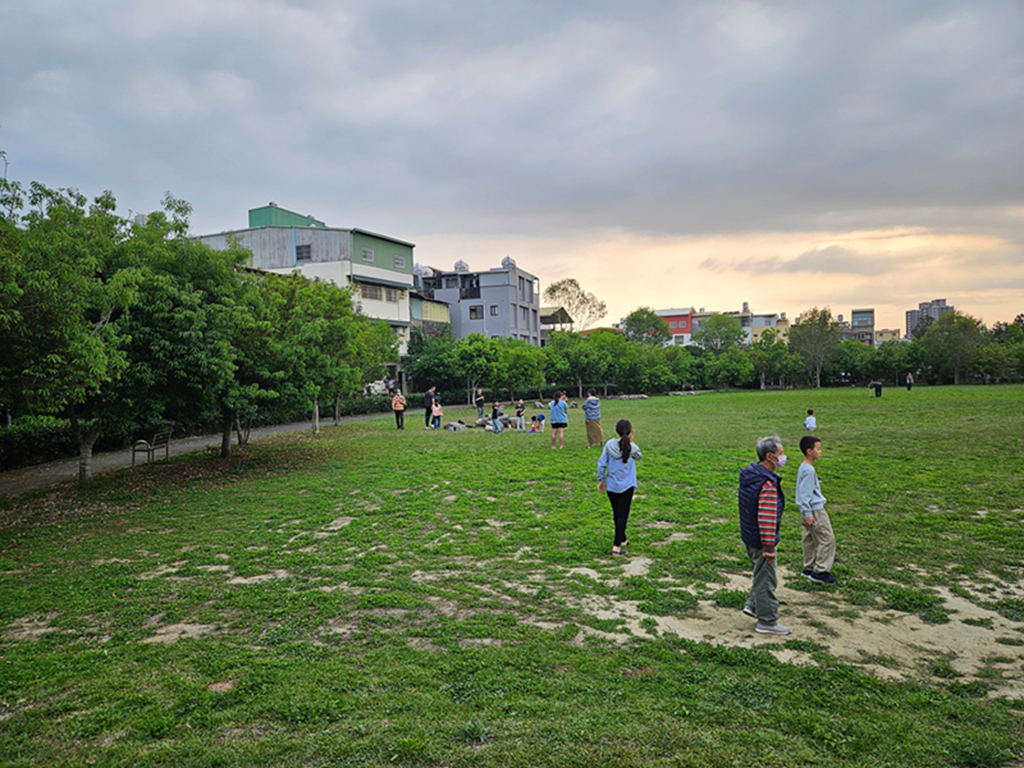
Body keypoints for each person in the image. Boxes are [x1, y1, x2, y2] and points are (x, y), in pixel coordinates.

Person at [738, 435, 792, 635]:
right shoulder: (766, 484)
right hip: (762, 541)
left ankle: (752, 604)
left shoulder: (751, 475)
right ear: (770, 456)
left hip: (750, 536)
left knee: (760, 575)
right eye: (781, 453)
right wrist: (769, 548)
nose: (784, 457)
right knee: (767, 579)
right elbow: (767, 517)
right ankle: (767, 621)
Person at [596, 419, 642, 557]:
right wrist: (631, 441)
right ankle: (616, 546)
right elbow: (638, 456)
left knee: (617, 513)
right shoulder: (631, 446)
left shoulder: (609, 445)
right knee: (623, 515)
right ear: (630, 431)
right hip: (627, 485)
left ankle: (622, 539)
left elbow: (601, 464)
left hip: (612, 485)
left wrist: (601, 480)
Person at [796, 435, 837, 585]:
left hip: (808, 510)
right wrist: (808, 513)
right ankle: (820, 572)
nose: (820, 452)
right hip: (815, 511)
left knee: (810, 539)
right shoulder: (809, 471)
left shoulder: (804, 467)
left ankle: (809, 567)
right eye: (818, 449)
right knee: (827, 539)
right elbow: (805, 493)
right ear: (809, 451)